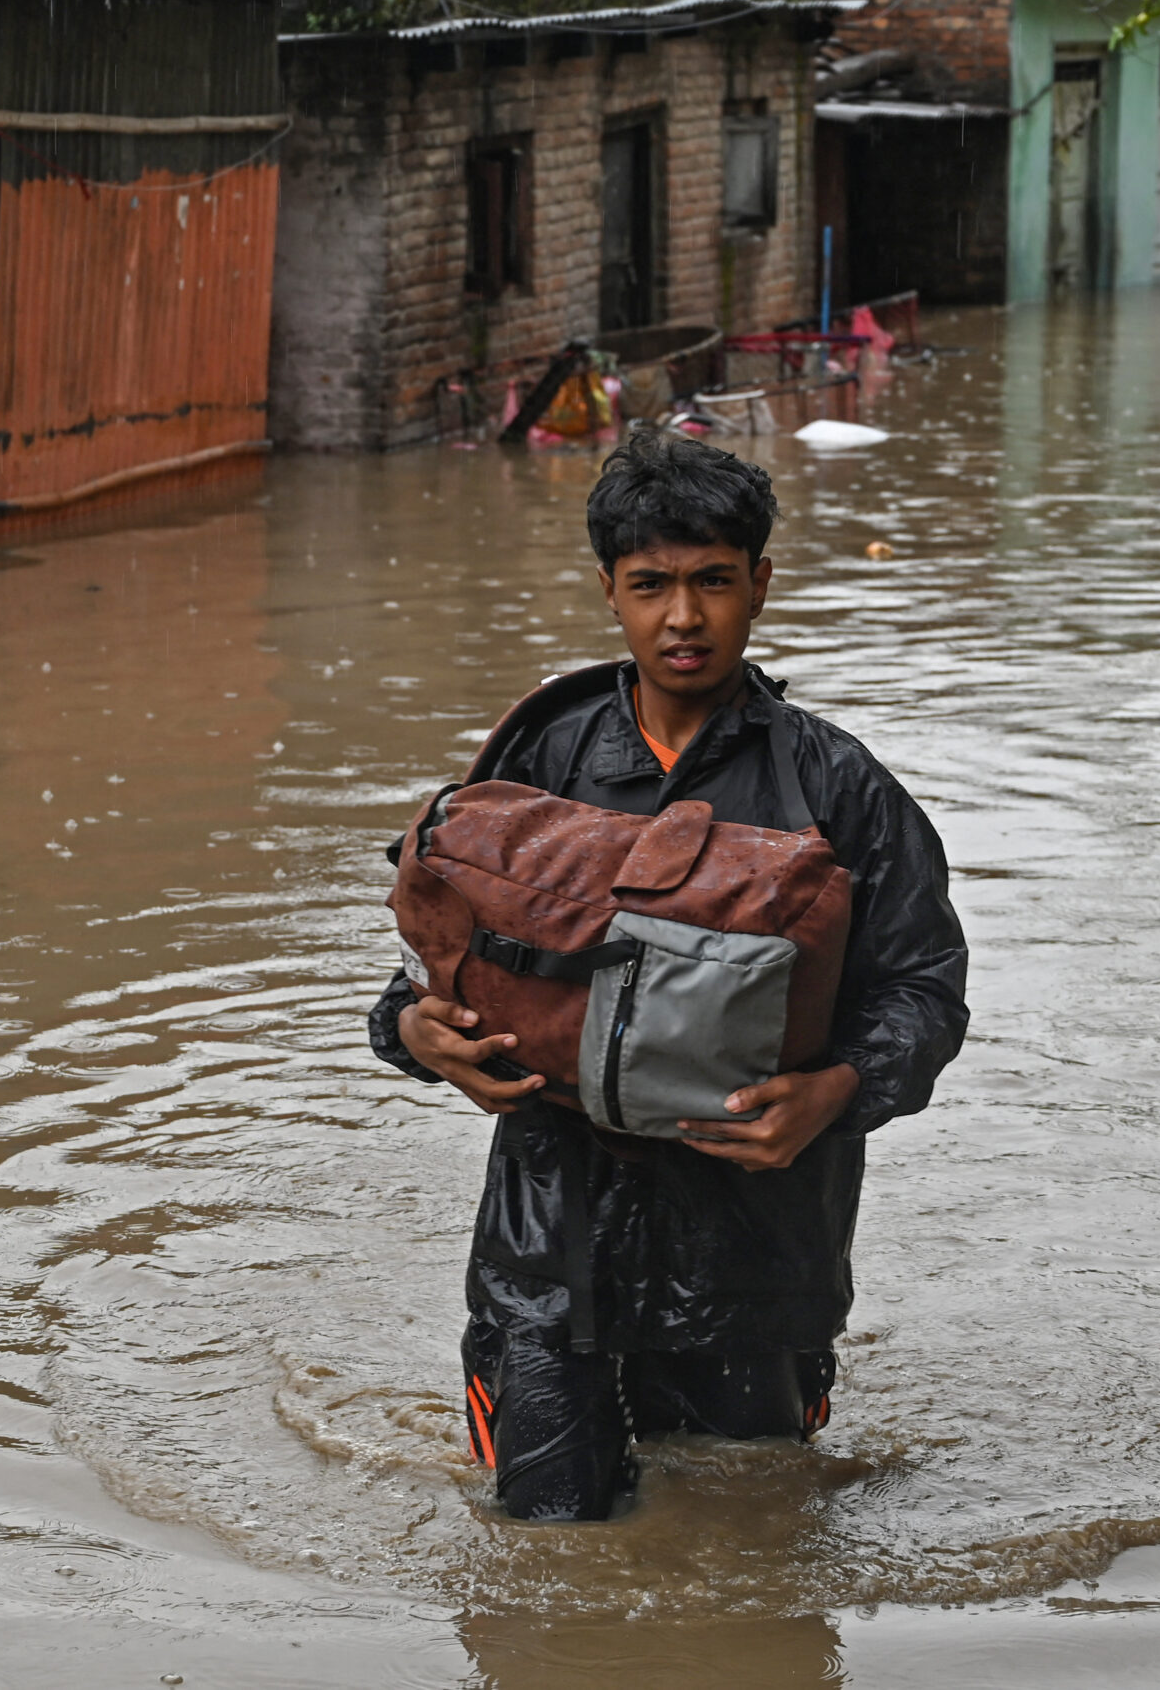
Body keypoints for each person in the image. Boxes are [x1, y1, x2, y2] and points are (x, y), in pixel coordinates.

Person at [367, 429, 968, 1522]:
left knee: (749, 1553)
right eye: (650, 586)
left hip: (757, 1252)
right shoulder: (533, 767)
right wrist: (413, 1035)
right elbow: (432, 963)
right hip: (548, 1244)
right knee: (544, 1557)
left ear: (760, 586)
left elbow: (924, 988)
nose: (681, 619)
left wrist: (835, 1092)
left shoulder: (836, 786)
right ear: (609, 592)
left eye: (711, 584)